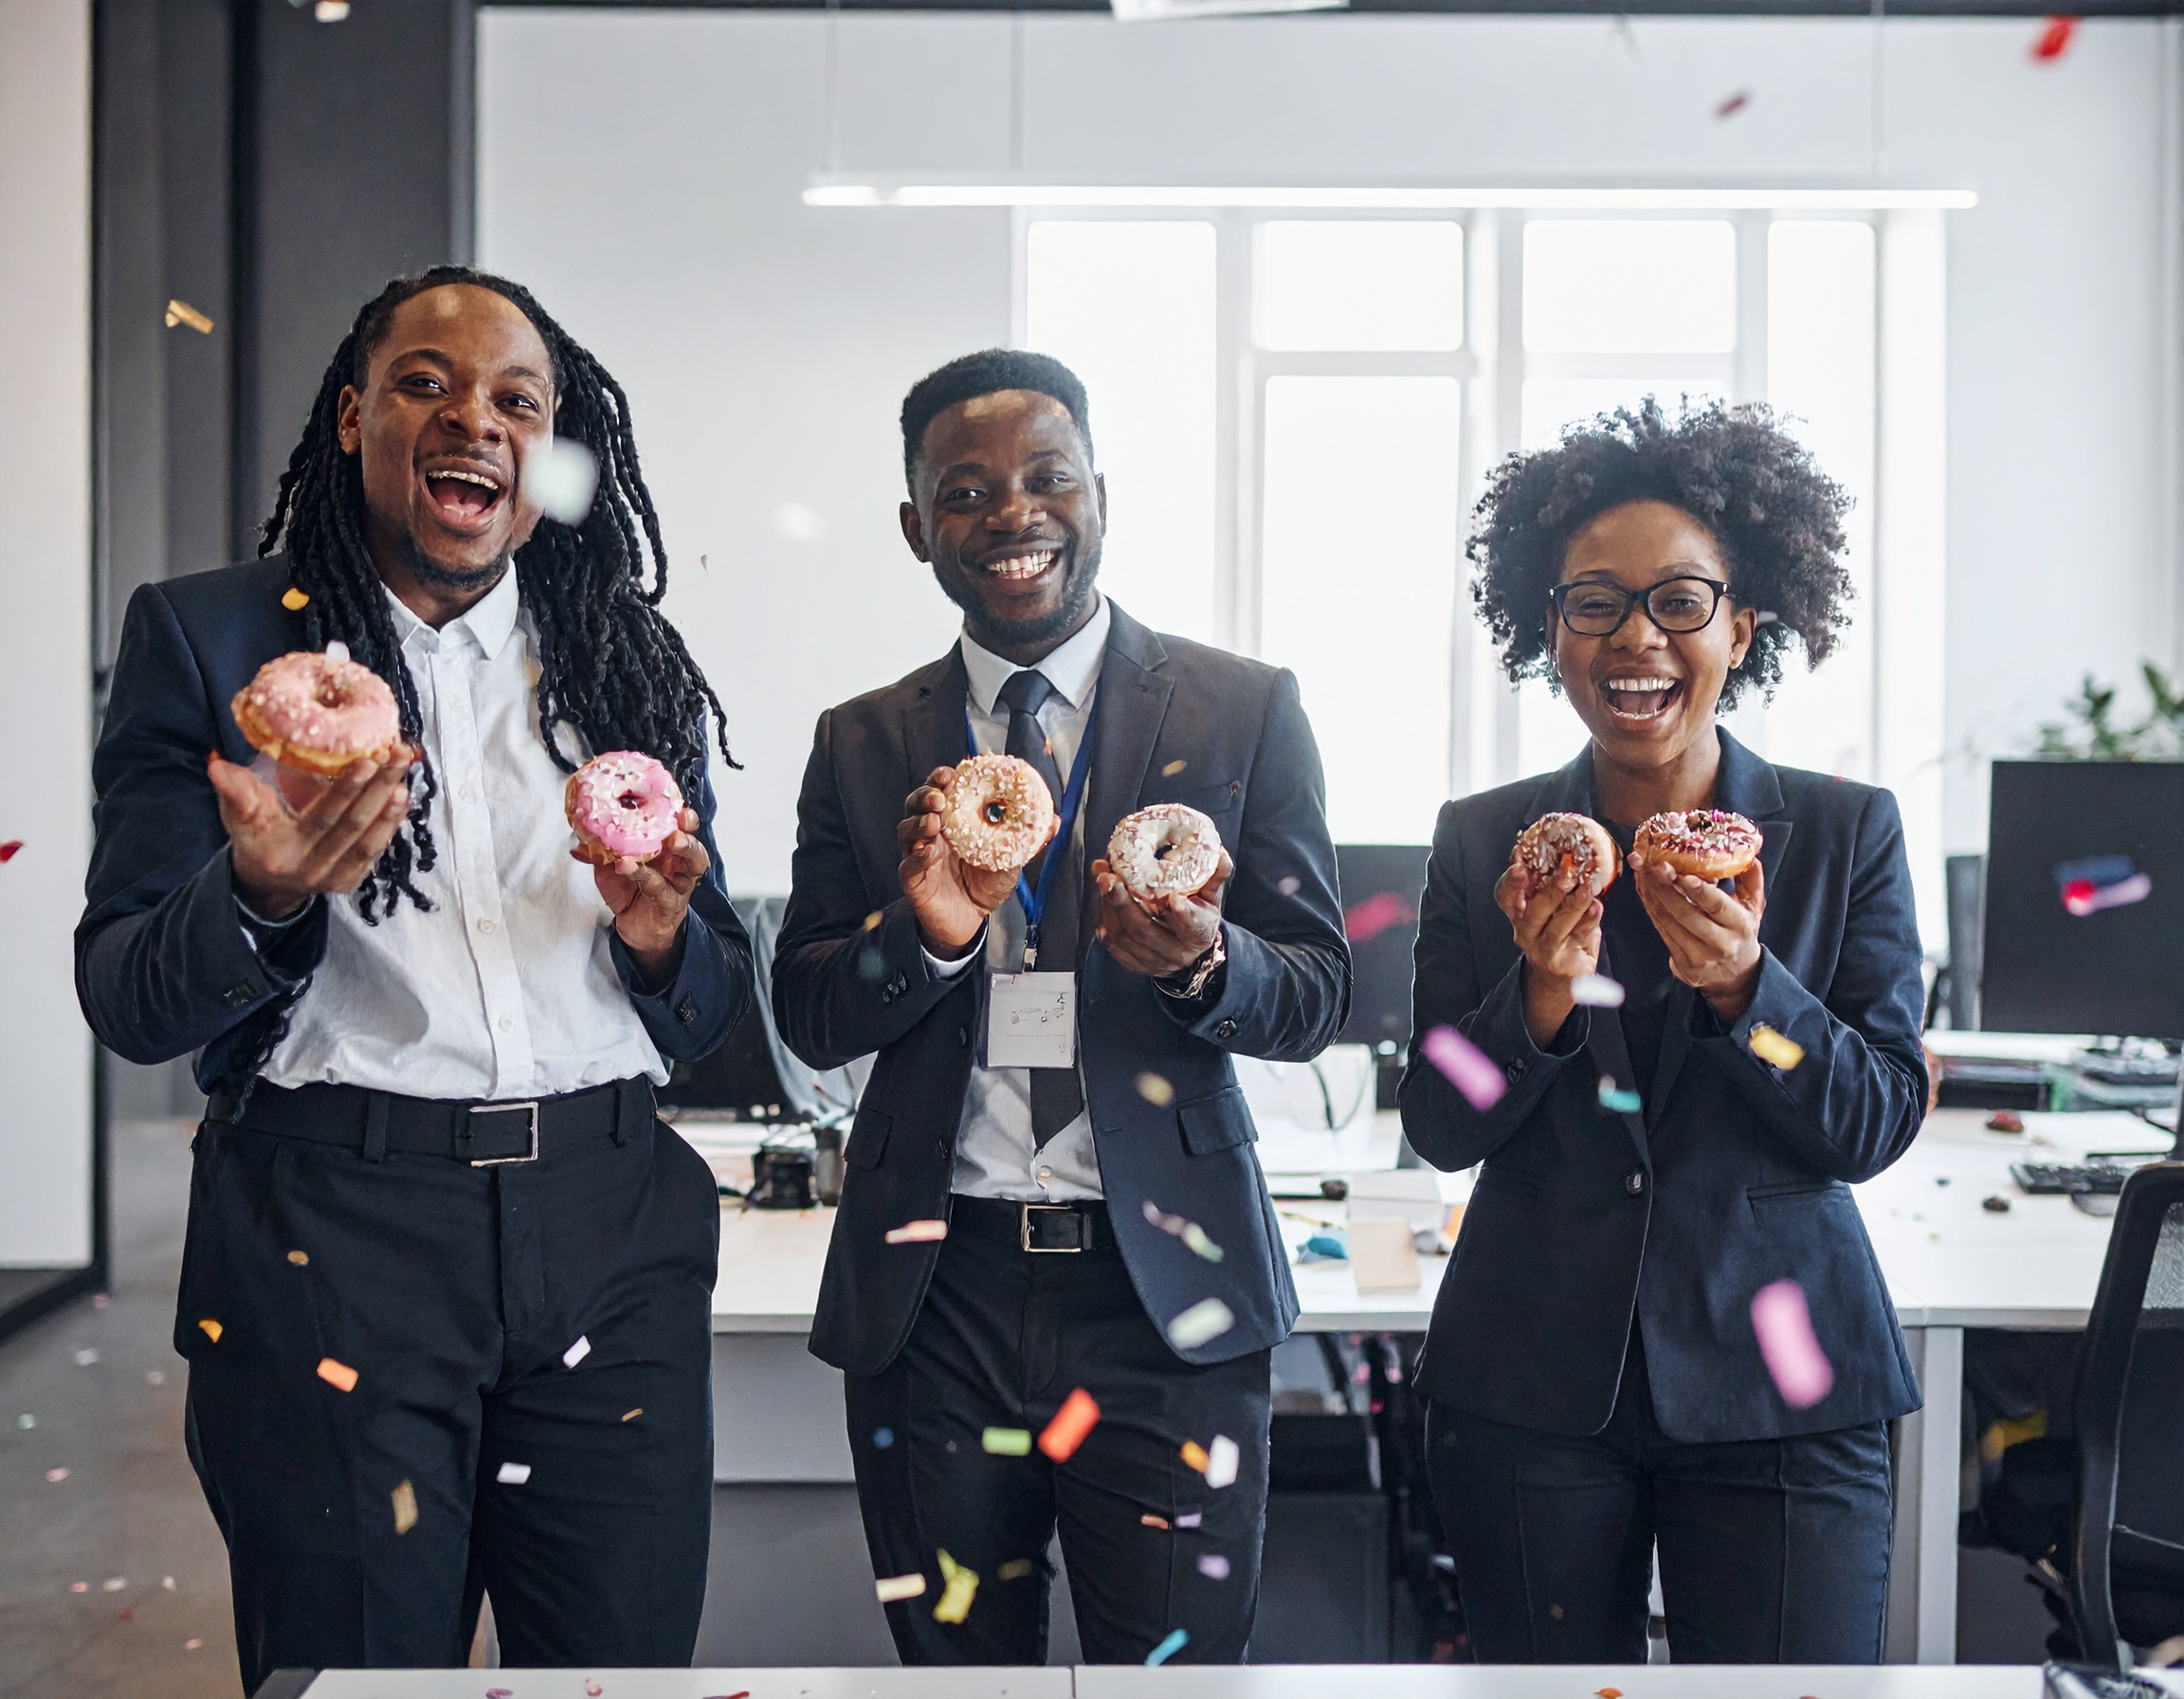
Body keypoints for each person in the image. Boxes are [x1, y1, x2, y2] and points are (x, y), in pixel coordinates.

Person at [75, 267, 753, 1690]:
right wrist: (263, 888)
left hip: (608, 1229)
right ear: (352, 416)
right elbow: (131, 995)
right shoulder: (209, 642)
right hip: (336, 1237)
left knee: (617, 1673)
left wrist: (659, 935)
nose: (478, 422)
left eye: (520, 400)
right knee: (358, 1672)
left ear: (553, 455)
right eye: (428, 383)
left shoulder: (624, 664)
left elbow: (708, 1007)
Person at [772, 350, 1350, 1666]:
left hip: (1165, 1299)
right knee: (959, 1681)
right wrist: (923, 935)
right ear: (917, 526)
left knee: (1176, 1680)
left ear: (1102, 494)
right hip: (938, 1292)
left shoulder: (1243, 709)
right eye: (964, 491)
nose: (1011, 514)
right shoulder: (861, 742)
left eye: (1047, 478)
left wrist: (1206, 964)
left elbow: (1316, 992)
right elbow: (807, 1013)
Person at [1401, 399, 1927, 1664]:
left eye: (1681, 601)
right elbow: (1440, 1117)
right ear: (1551, 632)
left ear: (1746, 626)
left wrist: (1757, 997)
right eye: (1595, 601)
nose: (1637, 636)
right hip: (1532, 1390)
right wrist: (1531, 998)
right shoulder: (1487, 844)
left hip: (1784, 1389)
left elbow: (1873, 1118)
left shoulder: (1846, 834)